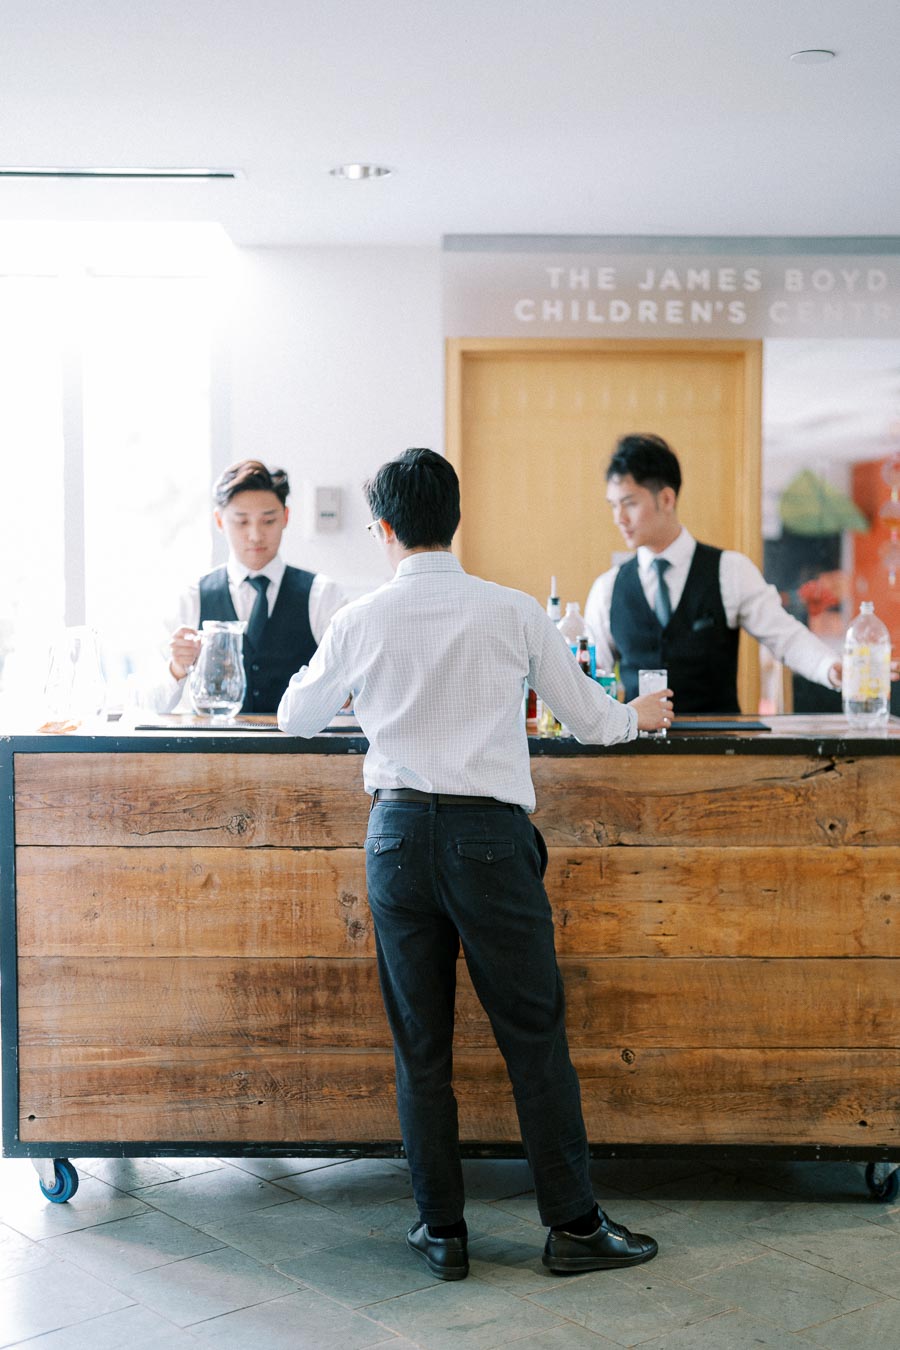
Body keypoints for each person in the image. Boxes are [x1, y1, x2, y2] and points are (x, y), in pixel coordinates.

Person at [278, 447, 671, 1281]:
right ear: (455, 519)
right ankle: (573, 1226)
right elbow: (596, 725)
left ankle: (442, 1232)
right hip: (489, 841)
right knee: (533, 1038)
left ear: (383, 530)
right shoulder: (513, 611)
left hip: (394, 838)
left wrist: (371, 694)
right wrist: (638, 713)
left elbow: (293, 717)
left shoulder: (359, 619)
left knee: (420, 1045)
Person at [586, 433, 859, 714]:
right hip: (637, 752)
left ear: (666, 499)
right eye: (613, 505)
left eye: (629, 503)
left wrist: (832, 667)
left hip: (721, 749)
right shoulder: (607, 589)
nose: (619, 518)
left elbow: (785, 636)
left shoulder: (730, 571)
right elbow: (589, 677)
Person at [146, 459, 347, 714]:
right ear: (219, 521)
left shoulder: (323, 596)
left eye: (268, 521)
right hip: (210, 751)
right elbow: (151, 705)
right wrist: (176, 668)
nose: (255, 535)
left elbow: (348, 689)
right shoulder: (192, 598)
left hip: (301, 751)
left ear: (285, 517)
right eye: (241, 522)